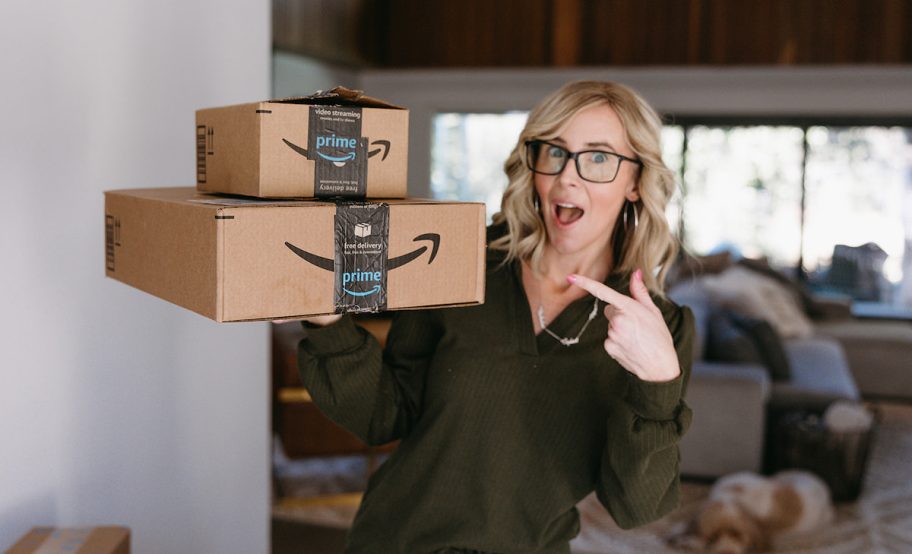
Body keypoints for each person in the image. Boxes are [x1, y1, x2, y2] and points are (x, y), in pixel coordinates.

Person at [296, 80, 695, 554]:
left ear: (635, 182)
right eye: (555, 151)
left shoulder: (658, 327)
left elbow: (635, 507)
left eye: (598, 157)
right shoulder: (460, 261)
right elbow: (385, 415)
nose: (568, 177)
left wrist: (658, 383)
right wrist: (328, 327)